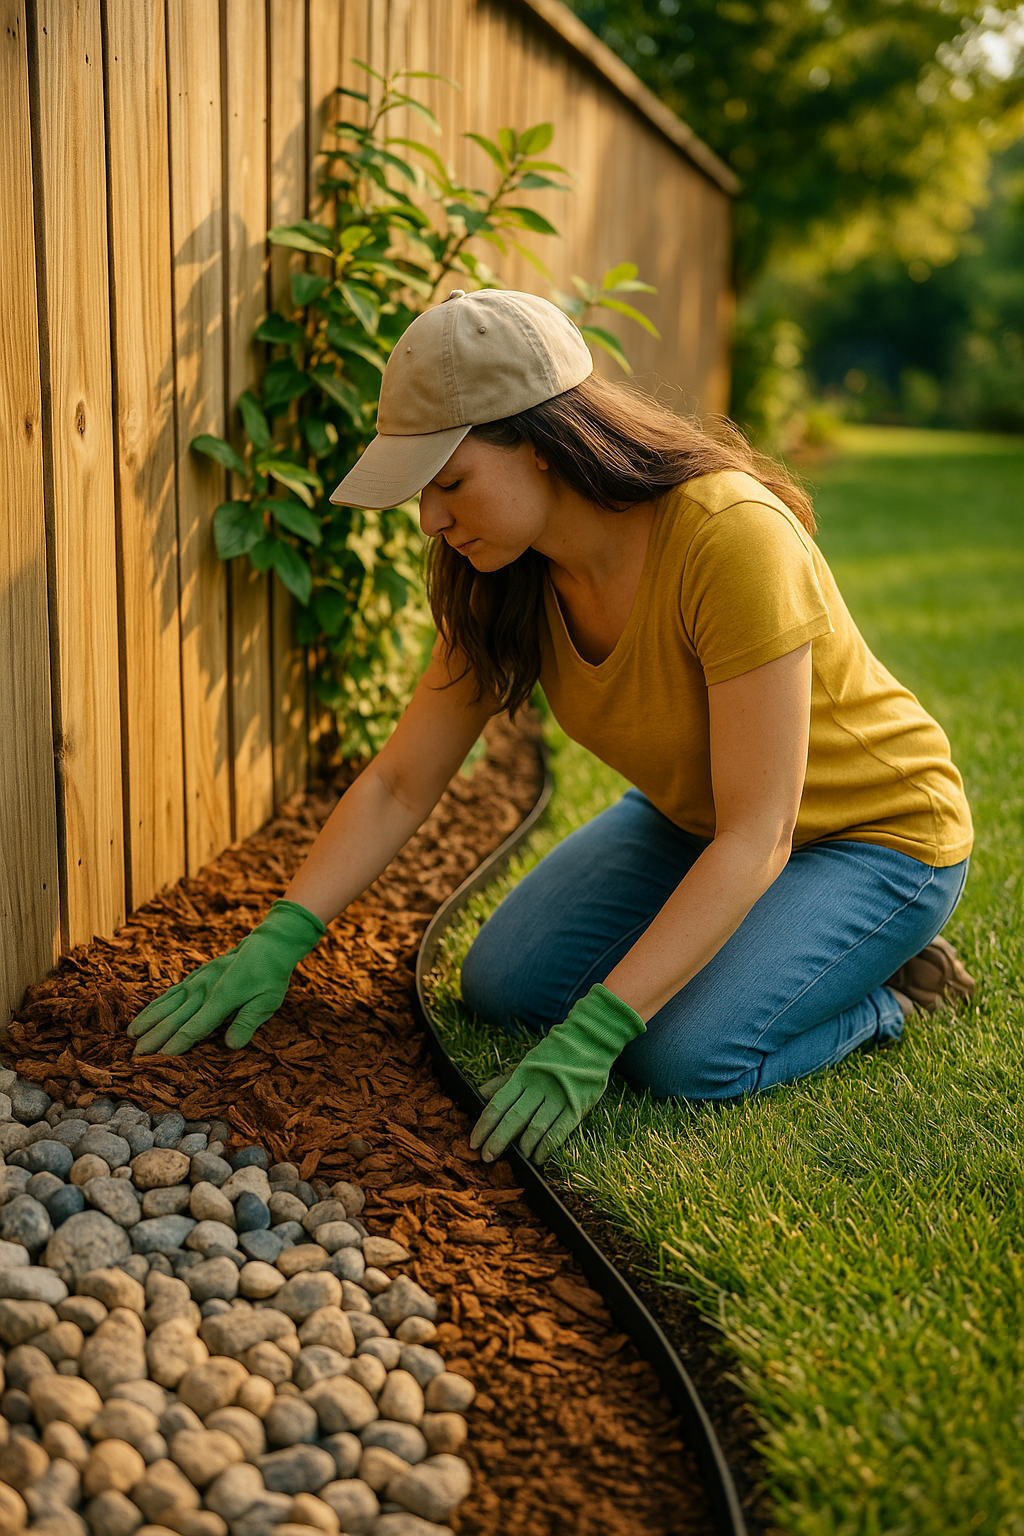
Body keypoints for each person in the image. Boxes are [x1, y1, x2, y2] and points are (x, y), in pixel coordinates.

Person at [128, 288, 975, 1166]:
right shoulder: (505, 574)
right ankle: (792, 953)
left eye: (449, 483)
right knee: (504, 985)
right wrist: (282, 935)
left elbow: (762, 831)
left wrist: (599, 1033)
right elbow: (399, 780)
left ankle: (885, 993)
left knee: (681, 1054)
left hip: (873, 837)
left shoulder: (729, 536)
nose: (431, 521)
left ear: (539, 447)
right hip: (699, 822)